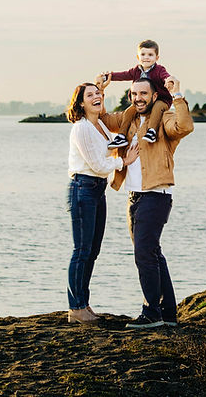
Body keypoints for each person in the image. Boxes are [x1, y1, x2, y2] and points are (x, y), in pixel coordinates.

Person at [98, 73, 193, 329]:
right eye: (134, 94)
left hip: (156, 195)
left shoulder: (164, 118)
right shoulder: (128, 119)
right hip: (134, 196)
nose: (138, 98)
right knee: (152, 253)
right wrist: (101, 90)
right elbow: (104, 119)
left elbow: (184, 127)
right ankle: (168, 313)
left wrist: (178, 95)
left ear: (153, 96)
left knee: (144, 253)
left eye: (143, 94)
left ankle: (151, 312)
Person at [65, 81, 139, 325]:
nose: (96, 97)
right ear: (81, 102)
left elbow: (109, 149)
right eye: (90, 95)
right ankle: (75, 308)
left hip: (97, 189)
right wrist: (124, 162)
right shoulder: (82, 128)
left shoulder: (101, 127)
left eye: (98, 93)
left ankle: (83, 304)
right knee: (82, 251)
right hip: (83, 188)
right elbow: (98, 164)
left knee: (92, 251)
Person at [103, 39, 173, 148]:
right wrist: (109, 76)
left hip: (161, 100)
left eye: (150, 55)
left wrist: (169, 80)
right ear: (138, 57)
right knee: (129, 111)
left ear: (156, 58)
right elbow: (124, 75)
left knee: (158, 107)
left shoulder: (159, 70)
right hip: (143, 102)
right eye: (143, 54)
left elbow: (165, 76)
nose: (146, 57)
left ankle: (151, 131)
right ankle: (121, 136)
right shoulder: (136, 70)